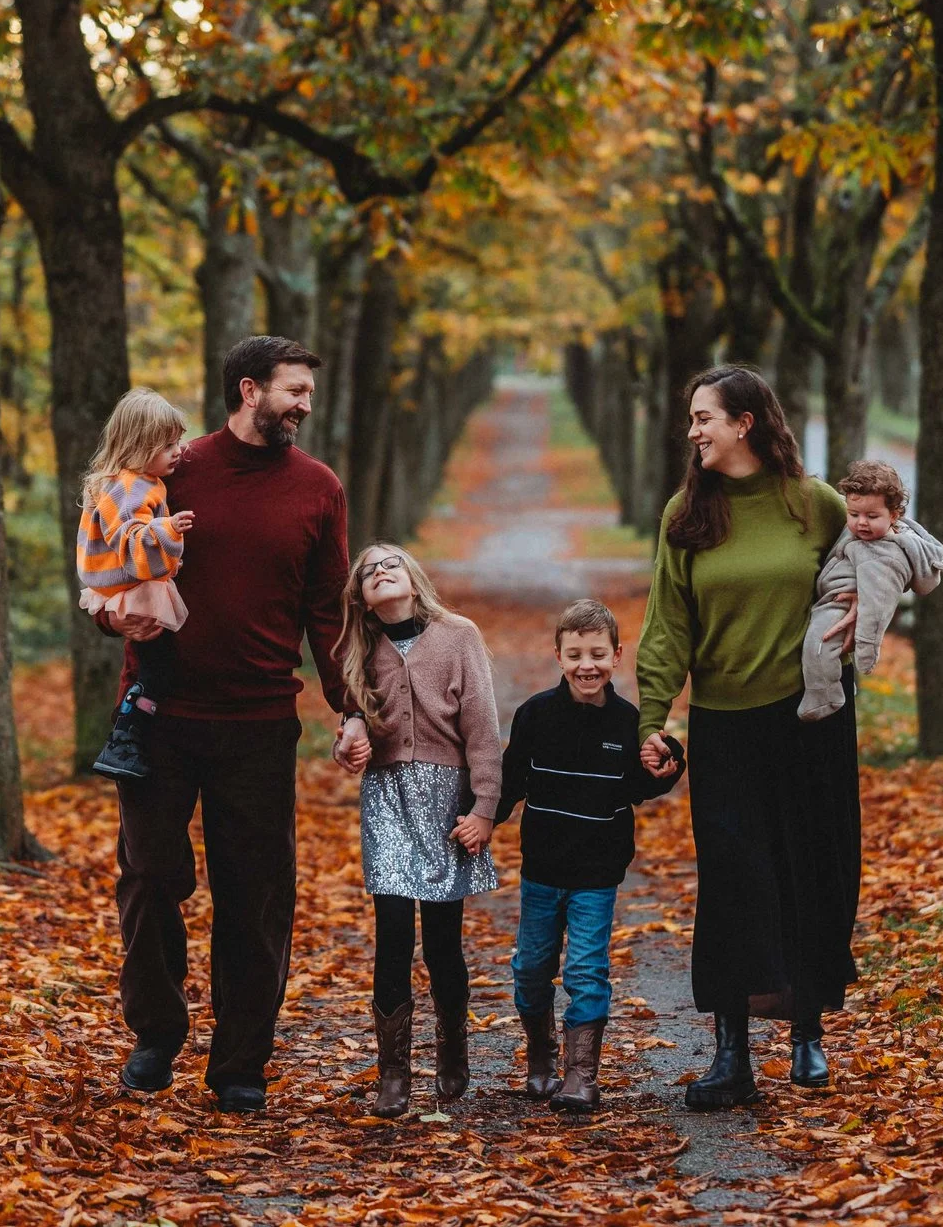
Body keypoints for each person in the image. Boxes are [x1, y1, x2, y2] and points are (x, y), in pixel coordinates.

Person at [106, 336, 351, 1114]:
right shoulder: (174, 469)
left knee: (255, 894)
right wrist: (113, 621)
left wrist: (353, 708)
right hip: (159, 713)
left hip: (258, 723)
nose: (306, 404)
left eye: (310, 391)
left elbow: (327, 609)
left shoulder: (318, 488)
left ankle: (241, 1061)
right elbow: (111, 561)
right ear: (249, 389)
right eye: (295, 390)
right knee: (150, 877)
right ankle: (156, 1032)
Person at [634, 365, 857, 1109]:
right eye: (692, 418)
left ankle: (809, 1036)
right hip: (724, 723)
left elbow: (879, 564)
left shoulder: (812, 504)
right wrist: (654, 716)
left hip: (809, 722)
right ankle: (731, 1054)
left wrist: (863, 619)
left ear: (746, 423)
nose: (693, 430)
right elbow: (668, 624)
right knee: (733, 879)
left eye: (704, 416)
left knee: (808, 868)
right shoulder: (686, 516)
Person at [330, 545, 503, 1116]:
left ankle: (453, 1047)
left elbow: (482, 729)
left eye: (392, 563)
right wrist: (348, 738)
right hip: (386, 796)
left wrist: (484, 808)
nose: (381, 571)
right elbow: (351, 720)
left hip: (446, 799)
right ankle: (394, 1072)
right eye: (368, 569)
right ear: (359, 595)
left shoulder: (458, 635)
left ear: (413, 577)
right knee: (393, 935)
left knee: (443, 942)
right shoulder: (359, 647)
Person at [495, 597, 685, 1115]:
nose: (587, 665)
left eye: (598, 654)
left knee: (585, 969)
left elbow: (641, 785)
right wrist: (481, 819)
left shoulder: (628, 723)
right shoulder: (534, 715)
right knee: (531, 970)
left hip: (597, 875)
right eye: (576, 653)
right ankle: (541, 1050)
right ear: (558, 655)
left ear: (617, 656)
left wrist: (667, 763)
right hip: (541, 871)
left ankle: (582, 1075)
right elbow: (511, 781)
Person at [77, 389, 197, 782]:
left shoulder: (143, 481)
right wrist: (168, 527)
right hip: (132, 588)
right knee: (158, 668)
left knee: (157, 666)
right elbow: (130, 538)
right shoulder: (129, 487)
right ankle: (124, 738)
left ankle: (128, 738)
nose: (178, 451)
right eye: (167, 445)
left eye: (178, 441)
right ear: (137, 446)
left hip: (126, 587)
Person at [799, 459, 943, 722]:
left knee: (817, 645)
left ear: (894, 515)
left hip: (840, 605)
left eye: (872, 516)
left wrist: (866, 654)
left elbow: (875, 610)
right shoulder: (864, 535)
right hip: (832, 596)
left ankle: (825, 697)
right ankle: (839, 687)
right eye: (854, 514)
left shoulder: (881, 556)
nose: (861, 523)